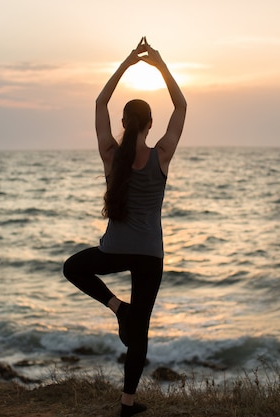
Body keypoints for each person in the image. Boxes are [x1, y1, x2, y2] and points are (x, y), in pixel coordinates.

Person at [63, 37, 187, 417]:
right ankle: (127, 404)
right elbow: (181, 105)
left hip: (114, 250)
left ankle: (118, 308)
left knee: (72, 267)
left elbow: (100, 102)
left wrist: (127, 63)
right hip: (150, 254)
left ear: (123, 122)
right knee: (142, 329)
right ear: (150, 124)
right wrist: (160, 64)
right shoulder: (162, 155)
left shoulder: (110, 155)